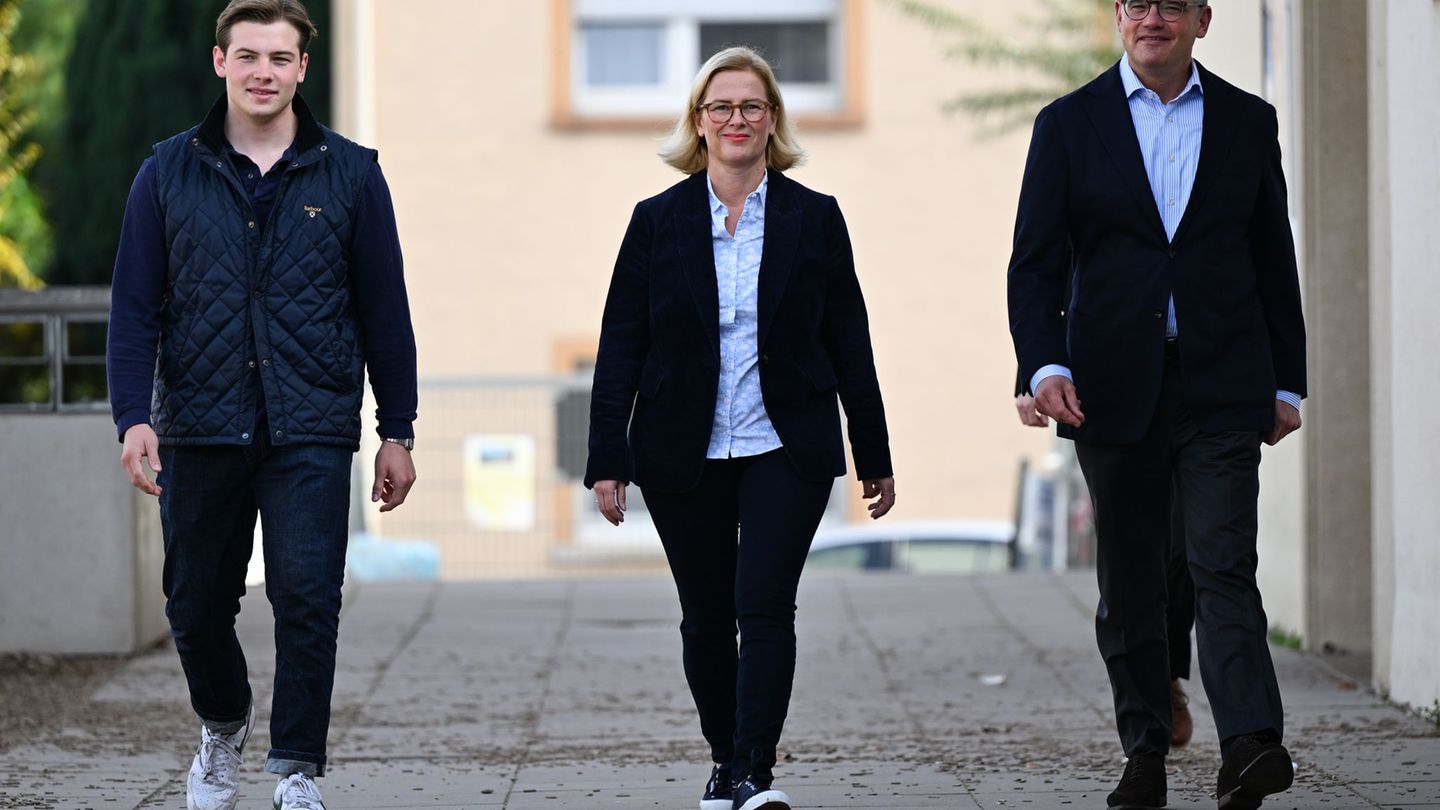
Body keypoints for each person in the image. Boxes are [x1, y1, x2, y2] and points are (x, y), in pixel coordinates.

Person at [105, 1, 417, 807]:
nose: (263, 73)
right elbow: (135, 306)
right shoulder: (166, 171)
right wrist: (132, 416)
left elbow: (385, 309)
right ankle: (223, 721)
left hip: (309, 422)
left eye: (280, 58)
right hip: (200, 423)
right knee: (195, 601)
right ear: (220, 63)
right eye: (248, 57)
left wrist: (397, 429)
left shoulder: (352, 173)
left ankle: (298, 769)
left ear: (302, 68)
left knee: (307, 595)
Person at [1006, 0, 1306, 807]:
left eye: (1172, 5)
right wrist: (1041, 366)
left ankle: (1250, 744)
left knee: (1221, 563)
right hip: (1108, 387)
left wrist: (1286, 381)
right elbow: (1034, 264)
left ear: (1201, 20)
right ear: (1119, 17)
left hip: (1222, 380)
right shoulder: (1068, 124)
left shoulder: (1248, 121)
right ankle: (1143, 749)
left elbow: (1272, 254)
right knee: (1133, 578)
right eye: (1138, 4)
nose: (1154, 18)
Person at [584, 46, 895, 810]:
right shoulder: (656, 222)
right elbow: (621, 341)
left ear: (772, 121)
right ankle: (723, 757)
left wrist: (873, 451)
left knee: (765, 607)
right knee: (705, 619)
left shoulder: (813, 217)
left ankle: (756, 768)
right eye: (720, 106)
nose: (736, 119)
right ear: (698, 122)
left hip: (784, 444)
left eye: (751, 106)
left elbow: (848, 338)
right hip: (680, 447)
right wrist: (606, 458)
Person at [1014, 374, 1196, 749]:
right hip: (1114, 384)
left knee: (1184, 545)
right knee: (1131, 557)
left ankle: (1168, 671)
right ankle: (1151, 699)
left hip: (1190, 384)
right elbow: (1041, 312)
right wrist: (1030, 376)